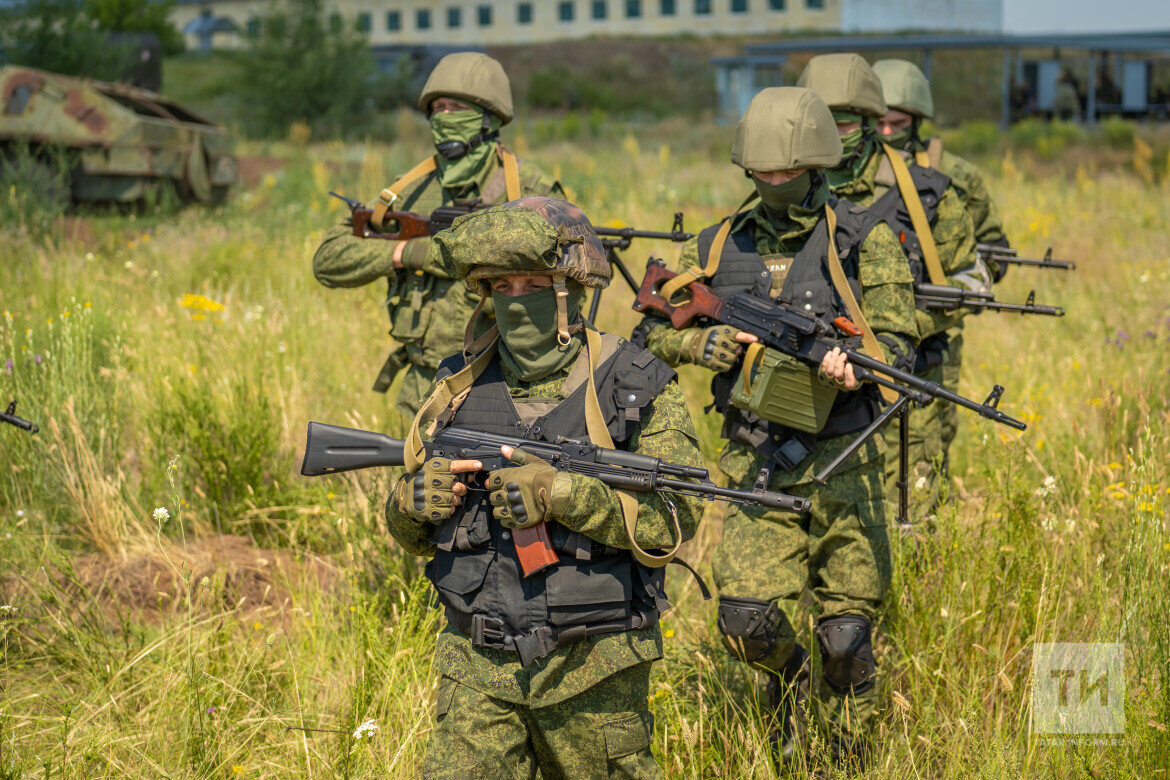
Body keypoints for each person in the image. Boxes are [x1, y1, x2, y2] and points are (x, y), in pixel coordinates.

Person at [636, 87, 919, 766]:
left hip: (845, 463)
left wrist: (861, 367)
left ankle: (846, 752)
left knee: (847, 639)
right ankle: (790, 681)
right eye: (761, 174)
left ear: (817, 163)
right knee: (744, 624)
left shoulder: (861, 238)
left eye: (786, 174)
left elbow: (901, 344)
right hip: (758, 465)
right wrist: (698, 346)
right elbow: (649, 333)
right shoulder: (717, 246)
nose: (772, 184)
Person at [383, 197, 706, 778]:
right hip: (476, 671)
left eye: (533, 282)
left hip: (595, 670)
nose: (515, 298)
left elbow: (676, 520)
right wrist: (411, 504)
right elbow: (408, 529)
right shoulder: (454, 384)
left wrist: (561, 493)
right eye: (501, 285)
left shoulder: (633, 383)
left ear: (571, 289)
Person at [312, 52, 562, 418]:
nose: (444, 118)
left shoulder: (528, 189)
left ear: (488, 115)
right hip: (423, 382)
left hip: (506, 380)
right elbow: (328, 260)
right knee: (410, 475)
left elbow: (568, 286)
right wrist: (408, 253)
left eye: (456, 108)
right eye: (437, 109)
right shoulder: (410, 191)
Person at [798, 53, 985, 513]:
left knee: (912, 504)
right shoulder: (789, 193)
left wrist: (891, 331)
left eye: (842, 126)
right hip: (814, 387)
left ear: (867, 122)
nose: (831, 139)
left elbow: (972, 280)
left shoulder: (926, 192)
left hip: (910, 375)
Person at [872, 58, 1013, 483]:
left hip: (932, 337)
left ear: (917, 118)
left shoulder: (955, 176)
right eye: (875, 121)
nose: (885, 132)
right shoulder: (846, 176)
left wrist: (940, 289)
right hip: (860, 333)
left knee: (927, 448)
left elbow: (993, 252)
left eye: (895, 122)